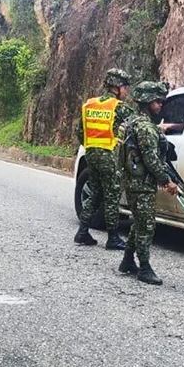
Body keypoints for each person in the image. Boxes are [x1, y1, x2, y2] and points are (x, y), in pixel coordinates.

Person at [117, 81, 178, 285]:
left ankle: (127, 260)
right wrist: (167, 181)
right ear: (146, 102)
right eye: (156, 101)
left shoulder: (134, 122)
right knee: (147, 225)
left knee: (139, 222)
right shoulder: (144, 127)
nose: (160, 104)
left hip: (134, 181)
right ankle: (144, 268)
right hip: (141, 184)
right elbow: (151, 159)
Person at [74, 68, 135, 250]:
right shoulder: (118, 107)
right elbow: (138, 123)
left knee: (96, 192)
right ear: (117, 87)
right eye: (125, 87)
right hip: (109, 154)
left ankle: (83, 231)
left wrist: (92, 146)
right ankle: (113, 237)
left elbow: (80, 132)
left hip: (91, 153)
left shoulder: (90, 104)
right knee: (112, 195)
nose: (127, 91)